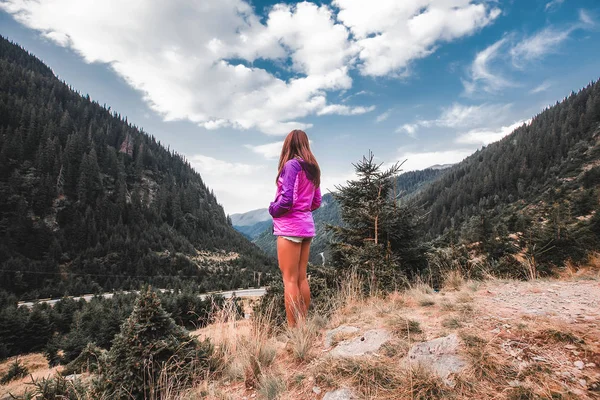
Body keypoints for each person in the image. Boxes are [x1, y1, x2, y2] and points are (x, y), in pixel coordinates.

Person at [268, 129, 322, 327]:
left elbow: (286, 200)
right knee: (301, 279)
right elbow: (316, 201)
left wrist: (272, 209)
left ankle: (293, 330)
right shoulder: (313, 168)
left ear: (288, 145)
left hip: (289, 228)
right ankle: (302, 324)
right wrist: (303, 209)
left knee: (289, 280)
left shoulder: (292, 165)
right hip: (306, 228)